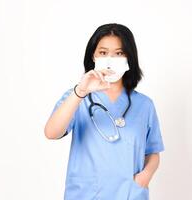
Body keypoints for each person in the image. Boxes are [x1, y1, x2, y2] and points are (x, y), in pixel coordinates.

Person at [44, 23, 165, 200]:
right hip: (86, 195)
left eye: (119, 53)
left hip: (130, 194)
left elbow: (153, 152)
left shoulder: (144, 105)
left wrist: (143, 178)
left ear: (129, 57)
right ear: (93, 56)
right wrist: (81, 92)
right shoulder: (77, 97)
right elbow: (51, 133)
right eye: (103, 52)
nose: (110, 59)